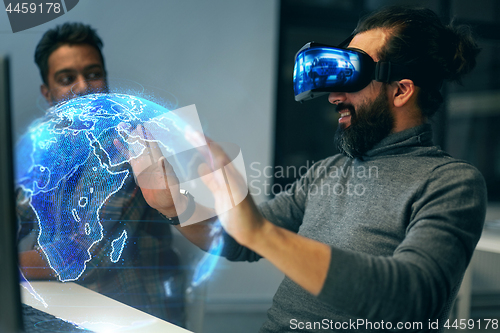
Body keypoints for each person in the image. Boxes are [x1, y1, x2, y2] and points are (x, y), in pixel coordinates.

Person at [127, 6, 487, 333]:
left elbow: (413, 299)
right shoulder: (327, 172)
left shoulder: (451, 183)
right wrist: (174, 204)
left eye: (352, 75)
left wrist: (262, 234)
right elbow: (237, 239)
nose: (334, 96)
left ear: (401, 90)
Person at [16, 22, 185, 327]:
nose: (83, 86)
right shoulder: (51, 147)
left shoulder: (129, 142)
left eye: (93, 74)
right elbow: (19, 211)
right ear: (48, 93)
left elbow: (83, 253)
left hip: (132, 316)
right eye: (67, 78)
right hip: (65, 307)